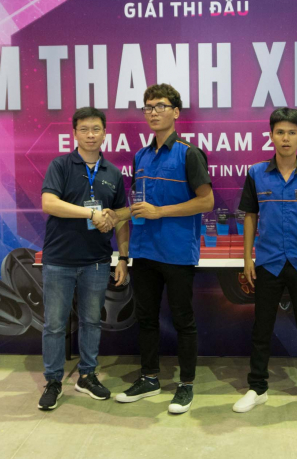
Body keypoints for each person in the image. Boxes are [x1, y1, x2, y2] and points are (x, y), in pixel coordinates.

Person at [109, 84, 213, 414]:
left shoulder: (189, 153)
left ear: (176, 112)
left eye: (161, 106)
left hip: (177, 253)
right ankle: (149, 378)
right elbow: (139, 206)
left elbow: (206, 201)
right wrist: (117, 216)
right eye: (148, 107)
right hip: (144, 251)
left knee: (183, 320)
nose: (153, 113)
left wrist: (160, 212)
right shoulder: (141, 156)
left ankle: (186, 385)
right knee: (146, 319)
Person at [233, 107, 297, 416]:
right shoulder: (256, 174)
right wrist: (247, 258)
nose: (286, 138)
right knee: (261, 329)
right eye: (280, 132)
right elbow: (250, 217)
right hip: (268, 262)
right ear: (271, 136)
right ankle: (257, 389)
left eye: (292, 132)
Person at [37, 107, 129, 411]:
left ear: (105, 133)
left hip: (97, 261)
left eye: (96, 129)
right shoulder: (60, 165)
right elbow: (49, 203)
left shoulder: (113, 173)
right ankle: (53, 380)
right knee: (54, 324)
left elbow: (120, 218)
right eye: (84, 129)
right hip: (59, 260)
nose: (91, 135)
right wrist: (90, 213)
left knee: (92, 321)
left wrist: (123, 257)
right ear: (74, 133)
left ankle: (87, 375)